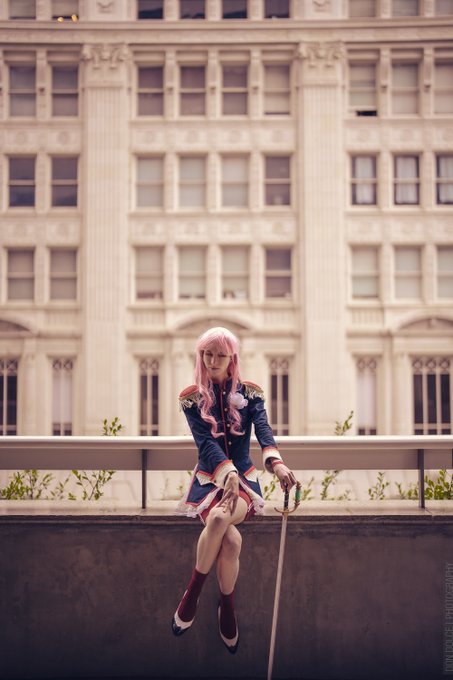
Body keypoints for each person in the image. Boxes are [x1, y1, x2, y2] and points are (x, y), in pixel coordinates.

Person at [172, 326, 297, 654]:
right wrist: (225, 472)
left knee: (218, 520)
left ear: (232, 358)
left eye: (220, 355)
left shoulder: (251, 394)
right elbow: (205, 443)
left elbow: (264, 430)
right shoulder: (191, 397)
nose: (213, 361)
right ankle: (225, 606)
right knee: (231, 540)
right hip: (209, 480)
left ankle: (192, 594)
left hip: (243, 483)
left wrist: (276, 464)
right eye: (207, 354)